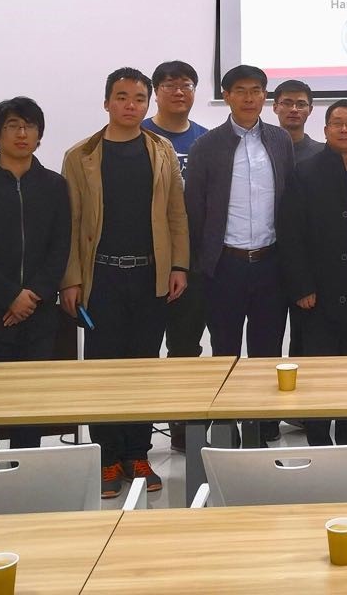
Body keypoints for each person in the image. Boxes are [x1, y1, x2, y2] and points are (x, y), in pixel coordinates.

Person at [59, 68, 188, 497]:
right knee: (104, 371)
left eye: (138, 98)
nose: (130, 105)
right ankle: (108, 458)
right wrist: (70, 280)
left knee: (143, 369)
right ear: (106, 102)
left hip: (151, 275)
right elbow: (70, 222)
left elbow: (176, 213)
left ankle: (137, 454)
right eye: (121, 97)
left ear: (148, 104)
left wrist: (179, 266)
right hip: (102, 278)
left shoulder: (161, 150)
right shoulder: (81, 156)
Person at [184, 64, 295, 445]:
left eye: (256, 90)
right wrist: (201, 264)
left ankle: (262, 427)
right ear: (227, 96)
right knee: (225, 351)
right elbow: (194, 209)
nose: (250, 98)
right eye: (241, 91)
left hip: (270, 264)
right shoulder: (206, 145)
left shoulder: (280, 141)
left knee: (267, 351)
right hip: (225, 265)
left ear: (265, 96)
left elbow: (289, 201)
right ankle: (226, 428)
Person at [0, 97, 71, 452]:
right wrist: (10, 297)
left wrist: (32, 296)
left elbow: (60, 247)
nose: (22, 133)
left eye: (29, 126)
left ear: (39, 135)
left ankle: (26, 476)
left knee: (29, 409)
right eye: (13, 126)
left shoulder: (54, 186)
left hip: (38, 315)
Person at [278, 100, 347, 446]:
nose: (344, 129)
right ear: (325, 130)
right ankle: (318, 443)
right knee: (317, 374)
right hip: (317, 296)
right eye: (337, 123)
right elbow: (290, 233)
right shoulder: (305, 172)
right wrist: (302, 286)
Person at [142, 59, 210, 452]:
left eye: (186, 84)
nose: (178, 91)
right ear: (156, 92)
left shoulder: (205, 141)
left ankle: (183, 425)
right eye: (169, 84)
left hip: (193, 263)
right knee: (143, 349)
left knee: (186, 347)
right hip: (146, 261)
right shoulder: (138, 135)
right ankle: (137, 433)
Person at [273, 79, 324, 162]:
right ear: (275, 108)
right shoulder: (263, 150)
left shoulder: (322, 153)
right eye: (287, 103)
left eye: (301, 104)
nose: (294, 109)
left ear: (310, 110)